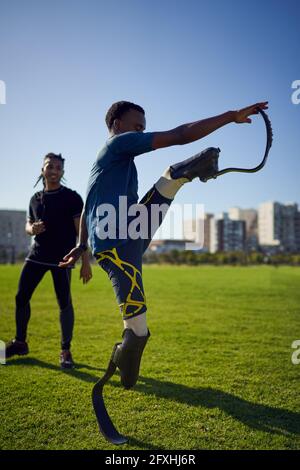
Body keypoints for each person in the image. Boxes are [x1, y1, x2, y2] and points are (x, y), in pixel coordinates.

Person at [59, 100, 268, 384]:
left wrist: (81, 244)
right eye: (136, 127)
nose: (141, 132)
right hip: (114, 244)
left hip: (130, 229)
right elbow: (180, 135)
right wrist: (231, 116)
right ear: (117, 125)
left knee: (173, 179)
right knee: (137, 334)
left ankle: (179, 174)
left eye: (143, 129)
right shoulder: (114, 147)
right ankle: (125, 360)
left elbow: (87, 206)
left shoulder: (114, 162)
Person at [5, 152, 92, 368]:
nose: (53, 171)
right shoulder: (35, 199)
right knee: (20, 297)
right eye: (49, 166)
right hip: (36, 256)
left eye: (58, 168)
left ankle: (65, 351)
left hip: (62, 259)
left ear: (62, 172)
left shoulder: (72, 197)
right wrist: (31, 228)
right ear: (42, 169)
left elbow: (81, 232)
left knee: (64, 303)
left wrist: (85, 262)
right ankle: (20, 342)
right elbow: (28, 225)